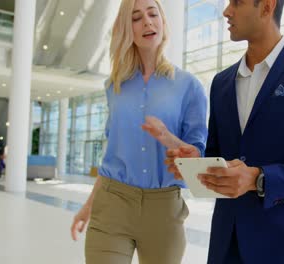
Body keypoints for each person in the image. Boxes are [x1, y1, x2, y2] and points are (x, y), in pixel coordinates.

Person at [145, 1, 284, 262]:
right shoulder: (221, 83)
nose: (227, 11)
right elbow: (223, 159)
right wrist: (198, 162)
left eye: (236, 2)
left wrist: (259, 178)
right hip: (226, 244)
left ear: (266, 7)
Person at [69, 1, 207, 263]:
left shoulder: (189, 86)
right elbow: (112, 156)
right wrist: (88, 208)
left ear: (163, 22)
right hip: (112, 204)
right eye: (136, 17)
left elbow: (196, 160)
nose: (147, 21)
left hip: (164, 210)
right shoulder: (114, 86)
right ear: (126, 29)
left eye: (153, 14)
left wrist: (168, 138)